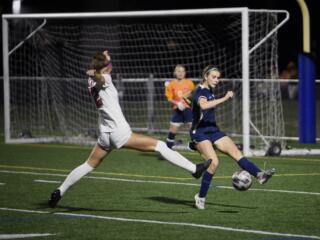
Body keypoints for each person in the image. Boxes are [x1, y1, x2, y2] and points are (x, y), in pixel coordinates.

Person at [48, 50, 211, 208]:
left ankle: (60, 191)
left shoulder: (93, 80)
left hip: (105, 133)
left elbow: (98, 74)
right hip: (119, 132)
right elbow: (101, 78)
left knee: (88, 165)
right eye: (109, 61)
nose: (111, 62)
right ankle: (194, 169)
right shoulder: (105, 77)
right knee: (160, 146)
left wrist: (100, 63)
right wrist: (95, 72)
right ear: (106, 67)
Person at [190, 65, 275, 210]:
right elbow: (203, 106)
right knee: (214, 162)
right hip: (200, 133)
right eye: (214, 77)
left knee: (236, 153)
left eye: (218, 77)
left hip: (213, 130)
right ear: (205, 76)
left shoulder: (208, 89)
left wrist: (187, 101)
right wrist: (224, 98)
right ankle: (201, 197)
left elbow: (192, 99)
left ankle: (259, 174)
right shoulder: (201, 91)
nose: (217, 80)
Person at [165, 65, 195, 149]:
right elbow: (169, 98)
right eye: (178, 71)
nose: (181, 73)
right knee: (172, 131)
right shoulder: (171, 84)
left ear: (185, 73)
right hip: (177, 110)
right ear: (175, 73)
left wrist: (188, 102)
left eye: (182, 71)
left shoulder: (189, 83)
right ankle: (167, 150)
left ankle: (200, 148)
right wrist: (177, 103)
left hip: (188, 110)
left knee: (193, 130)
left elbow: (193, 95)